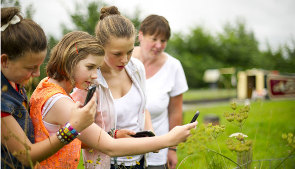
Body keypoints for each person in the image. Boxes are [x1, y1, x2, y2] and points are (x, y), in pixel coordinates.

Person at [29, 30, 197, 169]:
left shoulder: (46, 86)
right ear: (69, 61)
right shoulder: (61, 103)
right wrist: (169, 140)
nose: (95, 76)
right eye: (90, 67)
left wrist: (113, 134)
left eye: (97, 68)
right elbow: (110, 148)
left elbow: (73, 140)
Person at [1, 7, 98, 169]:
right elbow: (27, 156)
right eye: (30, 68)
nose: (37, 73)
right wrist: (72, 128)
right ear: (4, 61)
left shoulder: (14, 83)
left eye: (39, 66)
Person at [72, 6, 154, 169]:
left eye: (129, 52)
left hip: (139, 160)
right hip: (105, 164)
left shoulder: (137, 68)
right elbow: (73, 132)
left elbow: (143, 109)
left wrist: (150, 135)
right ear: (101, 48)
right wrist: (113, 137)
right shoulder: (89, 80)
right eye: (117, 54)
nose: (125, 60)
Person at [132, 14, 189, 169]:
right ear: (141, 35)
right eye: (154, 39)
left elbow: (175, 111)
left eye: (163, 41)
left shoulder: (173, 66)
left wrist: (172, 149)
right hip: (124, 148)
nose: (158, 45)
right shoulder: (124, 59)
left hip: (157, 151)